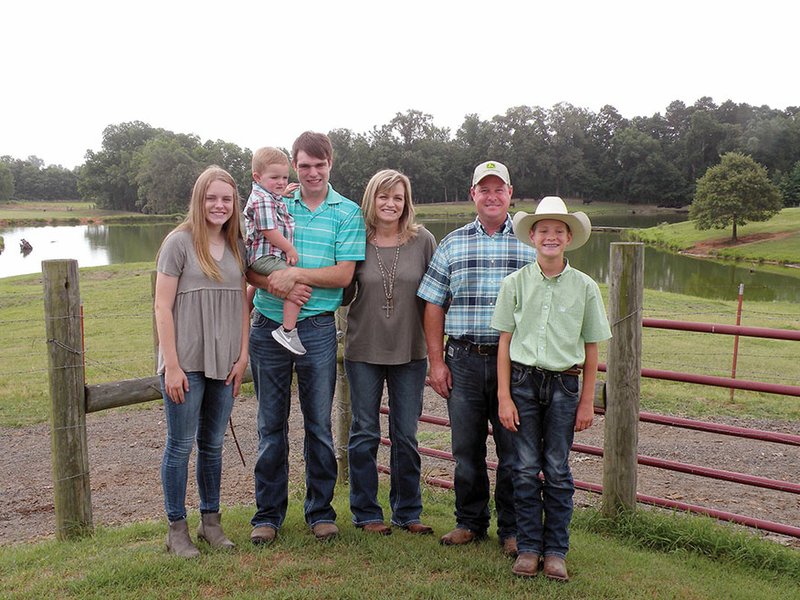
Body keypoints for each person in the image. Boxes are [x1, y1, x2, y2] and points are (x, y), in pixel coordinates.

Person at [248, 131, 366, 544]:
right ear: (294, 166)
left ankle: (320, 511)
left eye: (319, 165)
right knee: (269, 425)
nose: (312, 172)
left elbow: (343, 274)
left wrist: (294, 275)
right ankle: (268, 514)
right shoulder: (276, 200)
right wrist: (274, 285)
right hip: (266, 325)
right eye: (304, 165)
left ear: (330, 164)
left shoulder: (347, 212)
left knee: (318, 425)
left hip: (316, 328)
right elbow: (250, 265)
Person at [416, 161, 536, 556]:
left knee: (514, 451)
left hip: (515, 365)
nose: (491, 196)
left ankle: (513, 529)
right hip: (464, 359)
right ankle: (470, 522)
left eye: (498, 189)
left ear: (510, 193)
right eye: (483, 189)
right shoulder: (452, 243)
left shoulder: (530, 243)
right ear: (473, 195)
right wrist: (437, 362)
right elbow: (432, 304)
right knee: (466, 450)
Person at [492, 196, 612, 581]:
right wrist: (504, 395)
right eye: (543, 230)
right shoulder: (515, 283)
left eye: (558, 231)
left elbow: (592, 347)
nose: (550, 237)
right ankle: (528, 547)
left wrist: (586, 402)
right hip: (524, 382)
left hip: (564, 384)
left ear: (568, 237)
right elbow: (505, 344)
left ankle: (556, 549)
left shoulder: (585, 286)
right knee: (524, 467)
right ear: (531, 235)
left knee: (557, 469)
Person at [153, 166, 250, 558]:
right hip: (186, 362)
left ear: (234, 203)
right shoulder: (178, 243)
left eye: (226, 199)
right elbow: (162, 306)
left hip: (225, 362)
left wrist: (243, 356)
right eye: (212, 197)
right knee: (180, 446)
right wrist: (171, 364)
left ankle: (211, 522)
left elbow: (244, 304)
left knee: (212, 445)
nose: (219, 205)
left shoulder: (237, 246)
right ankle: (176, 530)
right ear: (199, 199)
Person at [343, 169, 437, 536]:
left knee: (406, 434)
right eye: (383, 197)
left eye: (397, 197)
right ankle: (366, 513)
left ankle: (407, 511)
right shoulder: (355, 238)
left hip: (410, 352)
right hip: (363, 349)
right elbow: (343, 289)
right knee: (364, 432)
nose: (390, 204)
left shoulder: (423, 240)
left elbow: (435, 298)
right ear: (371, 199)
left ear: (406, 202)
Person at [243, 147, 305, 355]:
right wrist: (290, 248)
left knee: (290, 279)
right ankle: (287, 330)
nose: (281, 182)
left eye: (285, 178)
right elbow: (268, 229)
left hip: (264, 255)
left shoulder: (267, 195)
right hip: (263, 256)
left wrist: (282, 194)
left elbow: (274, 204)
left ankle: (244, 313)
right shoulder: (262, 200)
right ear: (257, 177)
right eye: (275, 177)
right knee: (296, 280)